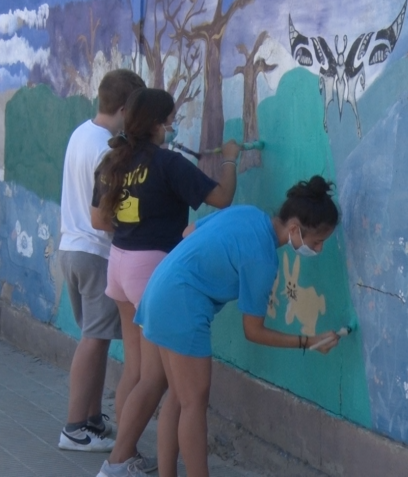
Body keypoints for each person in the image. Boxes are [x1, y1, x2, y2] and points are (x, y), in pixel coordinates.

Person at [103, 176, 343, 477]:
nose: (318, 250)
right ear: (295, 229)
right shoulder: (263, 259)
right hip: (181, 306)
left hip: (159, 288)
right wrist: (308, 342)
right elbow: (253, 331)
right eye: (317, 241)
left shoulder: (248, 214)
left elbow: (189, 231)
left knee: (178, 398)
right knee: (193, 402)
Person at [92, 88, 239, 477]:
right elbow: (222, 198)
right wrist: (229, 158)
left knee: (137, 372)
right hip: (153, 270)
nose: (175, 125)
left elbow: (100, 219)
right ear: (158, 123)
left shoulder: (113, 160)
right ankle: (118, 461)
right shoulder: (167, 163)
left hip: (120, 264)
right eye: (172, 118)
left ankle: (126, 456)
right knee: (155, 379)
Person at [57, 69, 145, 453]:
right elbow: (107, 213)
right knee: (93, 340)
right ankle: (74, 428)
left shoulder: (81, 133)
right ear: (125, 109)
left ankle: (92, 421)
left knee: (96, 338)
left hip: (72, 249)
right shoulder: (108, 148)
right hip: (95, 252)